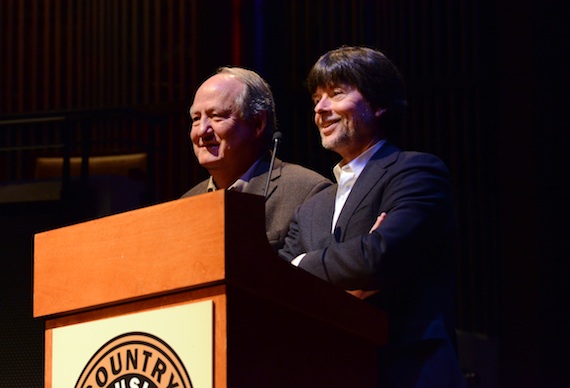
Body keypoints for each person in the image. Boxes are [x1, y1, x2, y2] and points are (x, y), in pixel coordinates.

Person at [279, 46, 466, 387]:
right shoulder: (311, 208)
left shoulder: (416, 172)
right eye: (317, 98)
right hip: (329, 372)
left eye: (336, 94)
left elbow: (380, 256)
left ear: (379, 104)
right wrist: (354, 269)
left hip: (407, 370)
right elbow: (278, 288)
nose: (320, 109)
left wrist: (301, 264)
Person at [182, 66, 331, 252]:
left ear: (257, 123)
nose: (202, 131)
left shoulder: (308, 192)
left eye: (216, 116)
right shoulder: (186, 204)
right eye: (196, 119)